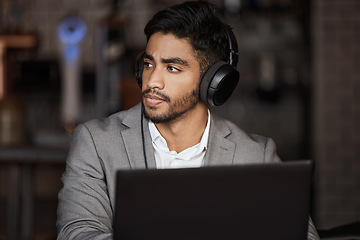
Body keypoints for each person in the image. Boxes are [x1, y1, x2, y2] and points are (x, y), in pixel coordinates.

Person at [56, 1, 319, 239]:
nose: (152, 81)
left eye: (172, 68)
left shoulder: (256, 154)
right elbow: (77, 232)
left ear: (213, 82)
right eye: (148, 64)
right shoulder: (96, 142)